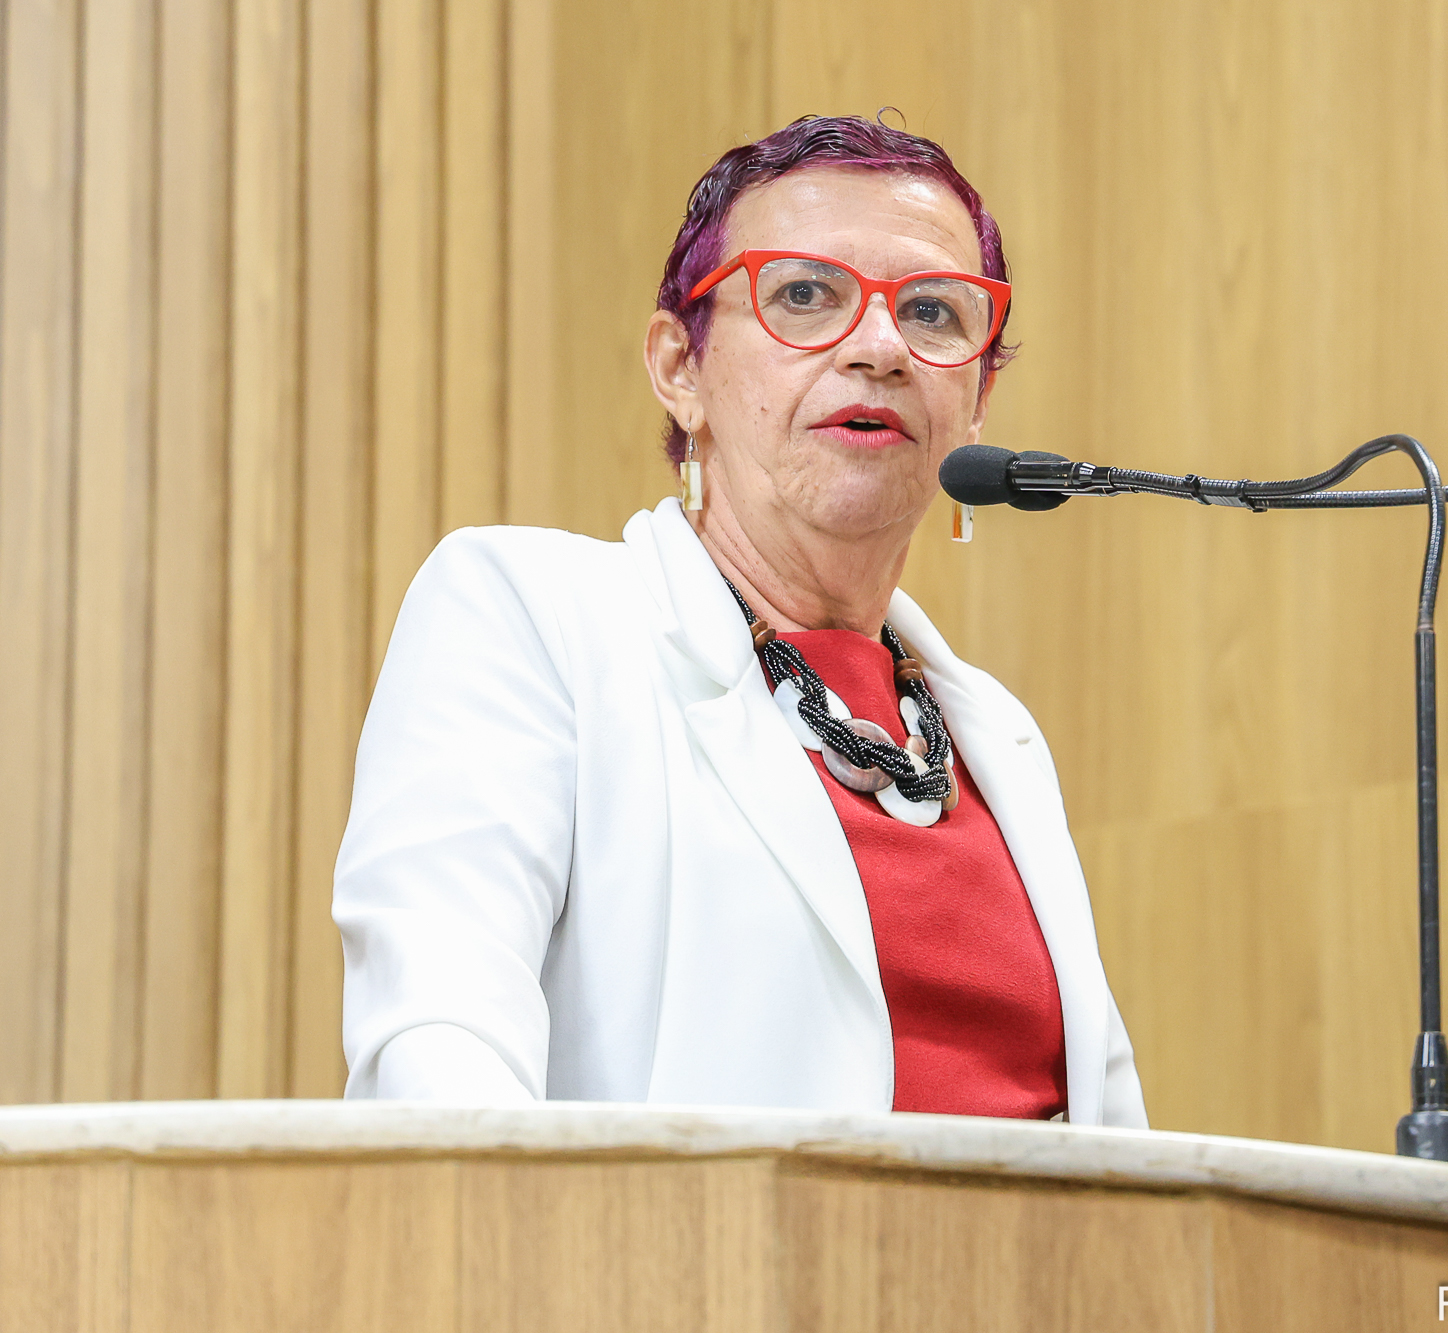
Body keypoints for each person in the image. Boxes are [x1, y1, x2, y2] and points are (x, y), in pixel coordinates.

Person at [334, 115, 1146, 1127]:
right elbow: (436, 1049)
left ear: (977, 399)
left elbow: (1121, 1154)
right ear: (681, 366)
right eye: (805, 295)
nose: (881, 348)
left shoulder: (1000, 737)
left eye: (933, 311)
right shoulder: (530, 619)